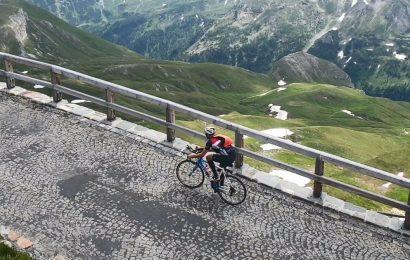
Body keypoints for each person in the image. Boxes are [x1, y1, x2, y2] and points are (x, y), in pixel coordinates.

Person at [188, 126, 236, 190]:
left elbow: (202, 155)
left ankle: (216, 176)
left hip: (227, 157)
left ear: (207, 135)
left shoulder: (210, 142)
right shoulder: (218, 138)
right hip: (232, 154)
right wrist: (201, 148)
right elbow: (214, 149)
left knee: (208, 157)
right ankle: (221, 186)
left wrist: (192, 156)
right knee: (220, 170)